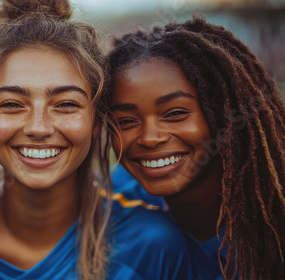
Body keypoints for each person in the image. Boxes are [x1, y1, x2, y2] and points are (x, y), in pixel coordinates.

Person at [0, 1, 193, 279]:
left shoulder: (153, 246)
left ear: (96, 120)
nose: (38, 128)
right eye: (12, 104)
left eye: (66, 104)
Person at [108, 16, 285, 280]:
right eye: (126, 121)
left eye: (175, 113)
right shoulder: (117, 199)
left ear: (223, 115)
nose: (150, 138)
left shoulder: (271, 224)